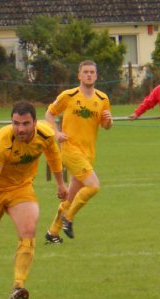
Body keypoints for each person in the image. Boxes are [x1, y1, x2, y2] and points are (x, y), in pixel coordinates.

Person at [0, 100, 68, 299]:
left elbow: (53, 154)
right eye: (16, 123)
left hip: (21, 188)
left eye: (25, 123)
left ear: (35, 122)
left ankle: (18, 286)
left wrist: (60, 183)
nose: (20, 129)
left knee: (29, 229)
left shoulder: (45, 134)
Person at [44, 60, 113, 244]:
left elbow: (105, 126)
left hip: (88, 153)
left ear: (96, 76)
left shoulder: (102, 99)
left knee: (71, 196)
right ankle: (69, 218)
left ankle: (52, 233)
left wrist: (109, 121)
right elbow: (49, 114)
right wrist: (56, 132)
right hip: (70, 150)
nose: (89, 75)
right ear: (79, 75)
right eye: (86, 72)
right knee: (94, 186)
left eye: (92, 72)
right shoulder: (69, 95)